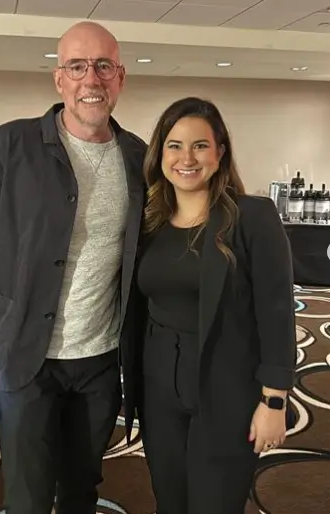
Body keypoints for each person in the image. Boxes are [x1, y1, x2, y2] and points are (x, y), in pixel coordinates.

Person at [0, 21, 147, 514]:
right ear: (59, 78)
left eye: (104, 66)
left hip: (100, 361)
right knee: (27, 497)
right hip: (23, 357)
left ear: (120, 77)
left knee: (81, 489)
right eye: (77, 66)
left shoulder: (138, 158)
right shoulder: (9, 147)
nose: (91, 78)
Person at [124, 97, 297, 514]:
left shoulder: (252, 217)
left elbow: (276, 312)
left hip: (227, 390)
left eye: (200, 146)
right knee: (170, 500)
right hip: (159, 389)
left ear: (220, 153)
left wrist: (274, 401)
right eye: (175, 145)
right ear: (160, 154)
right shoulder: (148, 220)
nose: (187, 158)